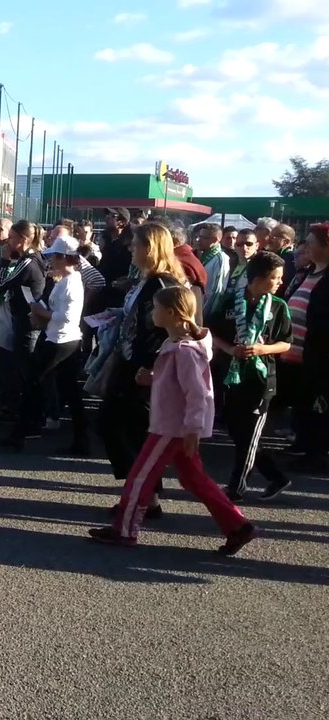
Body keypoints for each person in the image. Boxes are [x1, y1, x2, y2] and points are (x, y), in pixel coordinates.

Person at [89, 285, 257, 555]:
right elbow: (179, 385)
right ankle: (238, 525)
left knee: (140, 477)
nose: (152, 313)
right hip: (177, 425)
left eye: (156, 308)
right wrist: (154, 379)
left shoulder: (184, 351)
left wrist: (192, 429)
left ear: (171, 313)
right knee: (194, 479)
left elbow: (197, 394)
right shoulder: (177, 346)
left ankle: (124, 529)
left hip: (172, 426)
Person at [97, 223, 186, 518]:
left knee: (127, 427)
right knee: (120, 425)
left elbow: (170, 329)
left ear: (150, 248)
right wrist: (119, 315)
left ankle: (144, 497)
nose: (130, 249)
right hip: (129, 361)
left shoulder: (162, 284)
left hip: (143, 367)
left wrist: (152, 367)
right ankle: (146, 495)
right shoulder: (145, 279)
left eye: (135, 244)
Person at [207, 251, 292, 501]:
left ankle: (237, 487)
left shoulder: (278, 306)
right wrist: (229, 349)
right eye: (275, 277)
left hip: (261, 379)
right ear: (257, 279)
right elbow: (211, 333)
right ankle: (276, 477)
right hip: (232, 376)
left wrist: (262, 349)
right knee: (238, 431)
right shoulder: (229, 302)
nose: (279, 283)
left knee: (251, 433)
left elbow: (286, 343)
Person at [0, 236, 88, 454]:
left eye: (54, 256)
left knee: (34, 384)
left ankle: (21, 434)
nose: (51, 261)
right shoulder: (66, 281)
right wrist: (40, 311)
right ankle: (78, 441)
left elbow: (67, 317)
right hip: (61, 339)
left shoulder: (71, 283)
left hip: (61, 341)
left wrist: (40, 312)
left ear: (63, 258)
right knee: (66, 390)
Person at [0, 220, 45, 425]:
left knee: (24, 370)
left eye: (11, 238)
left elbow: (2, 283)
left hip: (27, 322)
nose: (7, 242)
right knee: (20, 368)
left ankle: (27, 416)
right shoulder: (31, 258)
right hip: (22, 319)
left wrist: (4, 261)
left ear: (23, 239)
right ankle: (22, 413)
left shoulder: (29, 261)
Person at [281, 225, 329, 472]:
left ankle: (315, 455)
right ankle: (303, 444)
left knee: (317, 406)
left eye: (311, 242)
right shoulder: (310, 271)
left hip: (320, 355)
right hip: (299, 352)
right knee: (303, 402)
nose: (306, 246)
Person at [195, 223, 231, 319]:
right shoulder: (203, 256)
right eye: (198, 236)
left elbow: (217, 291)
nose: (198, 240)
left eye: (204, 238)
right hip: (198, 310)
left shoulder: (221, 259)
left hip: (206, 314)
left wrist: (205, 316)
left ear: (215, 240)